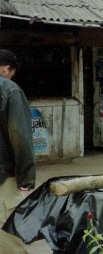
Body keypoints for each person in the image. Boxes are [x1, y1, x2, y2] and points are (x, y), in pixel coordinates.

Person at [0, 49, 36, 253]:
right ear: (7, 68)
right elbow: (20, 137)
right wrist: (26, 179)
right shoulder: (10, 90)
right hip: (3, 176)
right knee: (8, 239)